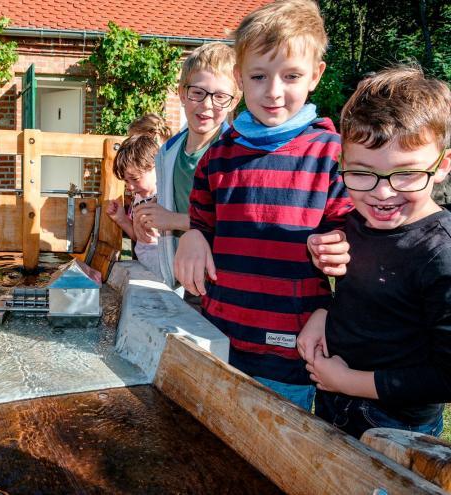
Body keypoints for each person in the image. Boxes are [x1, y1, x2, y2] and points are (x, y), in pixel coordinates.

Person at [174, 0, 354, 410]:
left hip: (290, 353)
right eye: (258, 76)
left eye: (291, 76)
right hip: (218, 337)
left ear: (316, 76)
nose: (273, 91)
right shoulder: (218, 156)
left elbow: (353, 239)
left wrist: (341, 247)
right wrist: (194, 236)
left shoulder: (332, 156)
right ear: (239, 78)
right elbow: (201, 218)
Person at [298, 67, 451, 438]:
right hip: (336, 402)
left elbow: (445, 377)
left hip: (398, 427)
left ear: (442, 166)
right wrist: (323, 311)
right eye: (362, 173)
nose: (382, 194)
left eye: (406, 174)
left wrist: (352, 382)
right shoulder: (355, 222)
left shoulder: (441, 256)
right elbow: (368, 297)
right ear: (343, 165)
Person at [132, 43, 240, 293]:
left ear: (234, 101)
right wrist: (148, 220)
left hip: (224, 280)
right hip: (186, 278)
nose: (207, 105)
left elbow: (235, 223)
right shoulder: (167, 153)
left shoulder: (234, 154)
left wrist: (171, 220)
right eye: (197, 92)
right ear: (182, 94)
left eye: (220, 96)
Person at [106, 134, 161, 277]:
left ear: (155, 166)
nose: (129, 186)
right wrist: (121, 219)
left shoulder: (165, 198)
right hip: (145, 268)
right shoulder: (139, 197)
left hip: (166, 274)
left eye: (135, 179)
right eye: (125, 181)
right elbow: (141, 239)